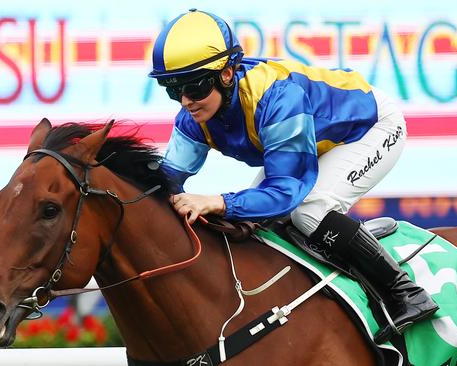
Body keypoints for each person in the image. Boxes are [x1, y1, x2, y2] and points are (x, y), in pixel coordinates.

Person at [148, 9, 438, 343]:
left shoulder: (276, 98)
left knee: (308, 210)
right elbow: (166, 179)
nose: (186, 101)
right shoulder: (193, 117)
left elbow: (287, 191)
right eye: (174, 90)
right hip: (315, 139)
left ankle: (404, 291)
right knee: (259, 225)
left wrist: (217, 201)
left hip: (370, 128)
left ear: (227, 73)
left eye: (195, 87)